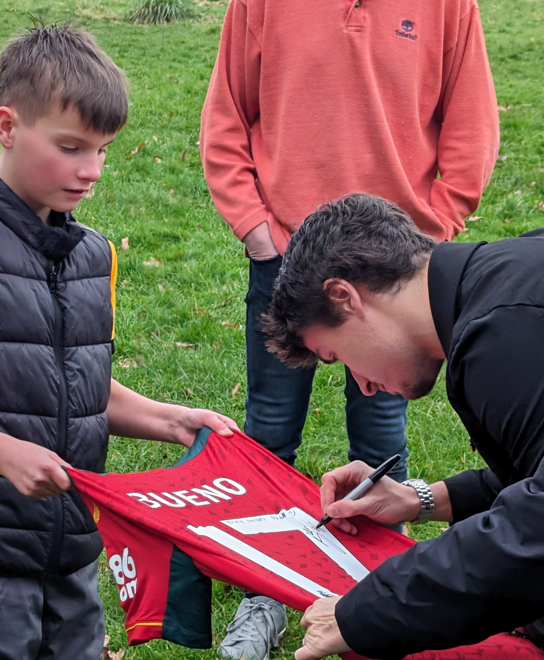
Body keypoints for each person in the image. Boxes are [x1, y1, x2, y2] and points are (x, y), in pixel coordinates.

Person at [0, 25, 237, 660]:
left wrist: (170, 419)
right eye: (71, 147)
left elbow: (81, 388)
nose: (91, 170)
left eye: (103, 151)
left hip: (73, 544)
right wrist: (6, 456)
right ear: (7, 127)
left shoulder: (94, 255)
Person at [199, 0, 499, 655]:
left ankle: (377, 589)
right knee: (270, 429)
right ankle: (267, 589)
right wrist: (257, 232)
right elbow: (226, 114)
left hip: (393, 278)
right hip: (289, 265)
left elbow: (473, 125)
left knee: (382, 438)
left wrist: (430, 234)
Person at [262, 193, 544, 659]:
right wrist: (418, 499)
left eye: (339, 356)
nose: (364, 386)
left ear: (344, 297)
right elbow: (530, 472)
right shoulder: (502, 284)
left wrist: (366, 610)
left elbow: (534, 529)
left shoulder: (499, 335)